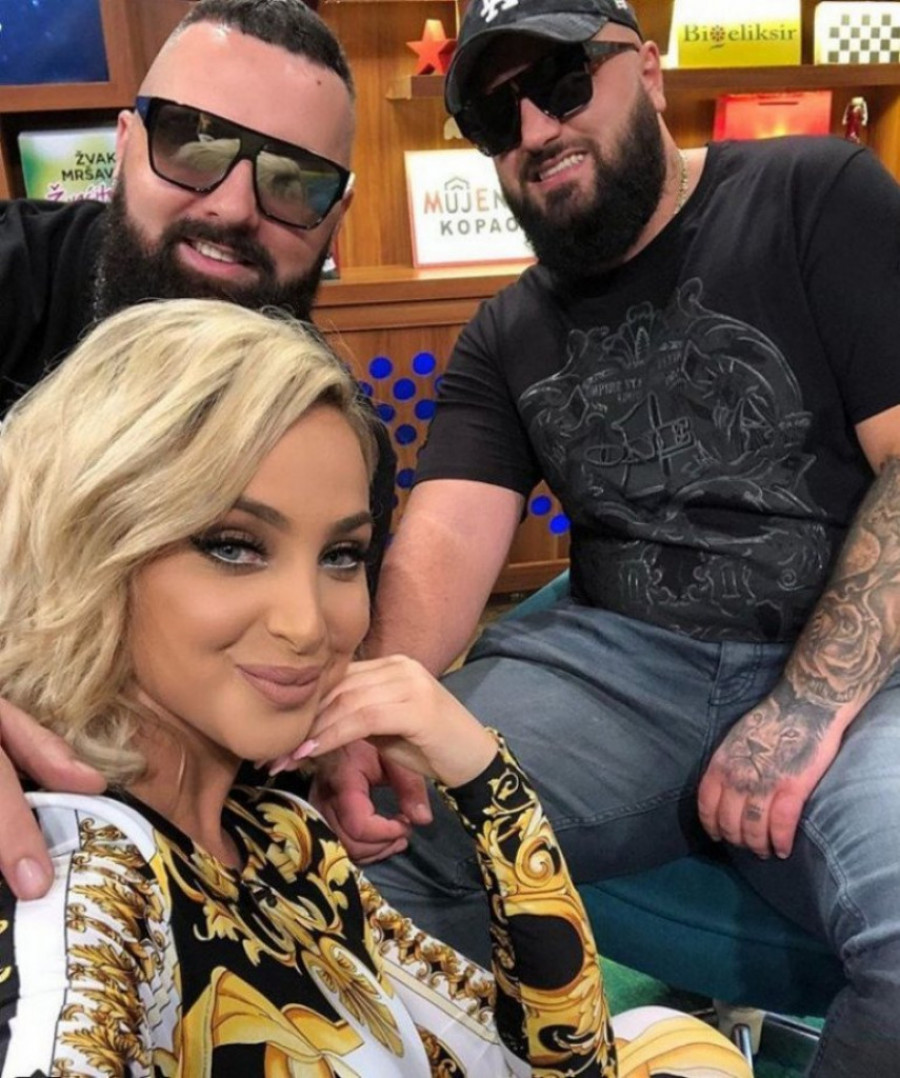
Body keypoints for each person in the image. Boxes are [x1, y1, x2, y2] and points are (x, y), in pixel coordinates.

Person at [309, 1, 900, 1075]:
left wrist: (806, 707)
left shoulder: (814, 193)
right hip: (623, 666)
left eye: (563, 80)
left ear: (649, 71)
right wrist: (369, 716)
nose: (536, 129)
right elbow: (442, 545)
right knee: (375, 825)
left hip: (862, 664)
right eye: (497, 116)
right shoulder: (506, 331)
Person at [0, 297, 750, 1078]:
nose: (306, 624)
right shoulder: (82, 889)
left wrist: (482, 776)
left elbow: (567, 1057)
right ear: (86, 544)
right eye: (233, 546)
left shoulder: (278, 835)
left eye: (341, 556)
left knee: (674, 1039)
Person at [0, 0, 419, 900]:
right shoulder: (11, 280)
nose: (231, 207)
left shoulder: (339, 447)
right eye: (193, 145)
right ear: (123, 144)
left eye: (293, 182)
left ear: (337, 217)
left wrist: (326, 717)